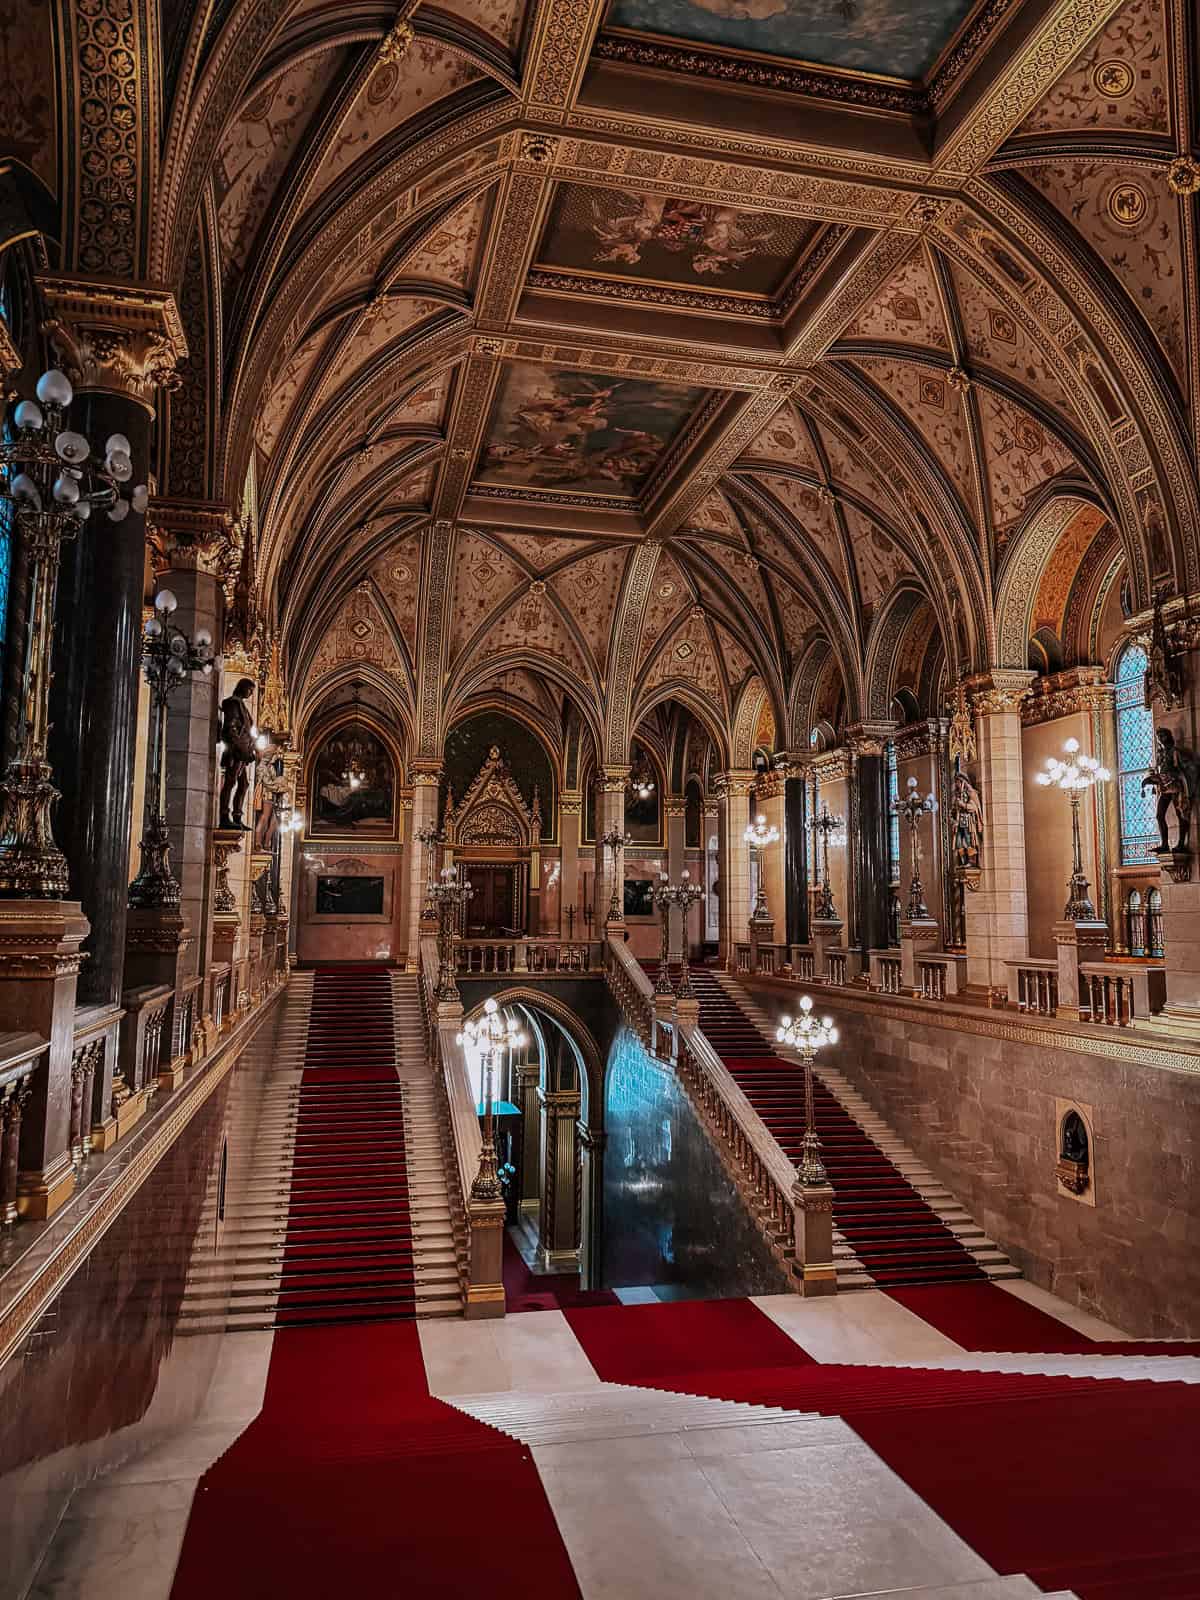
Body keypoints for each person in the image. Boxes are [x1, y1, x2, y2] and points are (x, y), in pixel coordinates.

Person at [218, 677, 256, 829]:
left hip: (244, 752)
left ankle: (237, 817)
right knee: (230, 782)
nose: (251, 693)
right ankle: (224, 816)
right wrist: (240, 748)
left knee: (244, 784)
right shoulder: (233, 703)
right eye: (250, 690)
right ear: (242, 687)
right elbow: (231, 728)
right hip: (236, 751)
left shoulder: (242, 705)